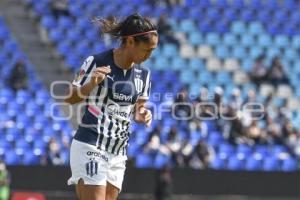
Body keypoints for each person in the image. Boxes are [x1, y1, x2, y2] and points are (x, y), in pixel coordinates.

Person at [64, 13, 158, 200]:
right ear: (130, 41)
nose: (149, 55)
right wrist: (91, 83)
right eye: (147, 50)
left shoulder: (144, 76)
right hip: (91, 145)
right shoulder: (97, 62)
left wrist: (142, 115)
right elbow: (70, 98)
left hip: (118, 153)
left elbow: (138, 109)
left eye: (152, 51)